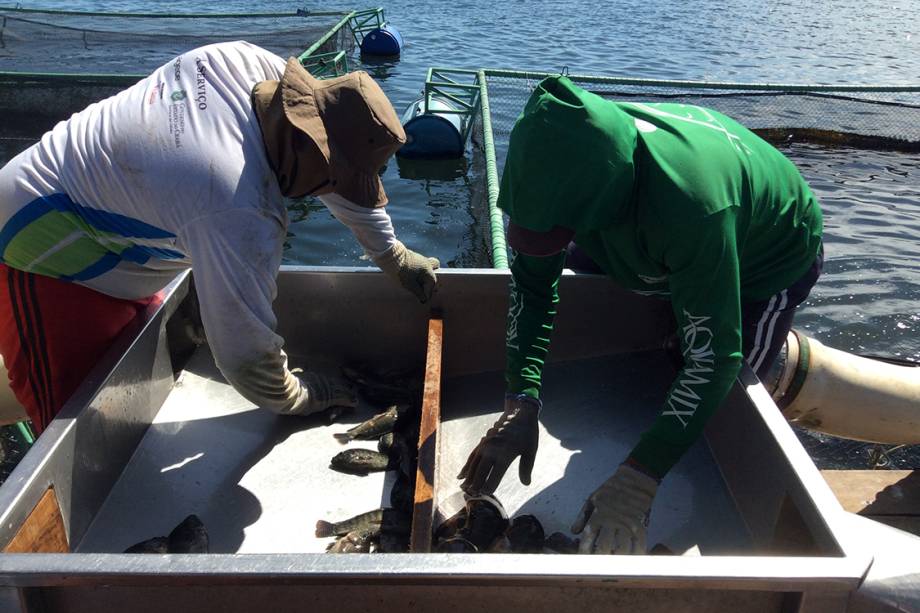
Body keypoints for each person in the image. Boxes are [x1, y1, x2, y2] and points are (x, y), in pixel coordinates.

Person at [458, 76, 823, 555]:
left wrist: (640, 476)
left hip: (763, 262)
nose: (542, 236)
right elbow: (532, 284)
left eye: (558, 230)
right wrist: (521, 397)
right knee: (654, 311)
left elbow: (715, 363)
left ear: (600, 206)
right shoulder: (561, 155)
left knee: (726, 406)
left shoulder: (696, 207)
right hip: (660, 224)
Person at [0, 41, 439, 435]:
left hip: (113, 215)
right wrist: (299, 396)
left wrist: (391, 253)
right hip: (43, 249)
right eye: (331, 181)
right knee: (77, 420)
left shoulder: (249, 64)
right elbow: (246, 358)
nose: (328, 193)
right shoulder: (236, 206)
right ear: (310, 148)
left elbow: (323, 156)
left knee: (125, 376)